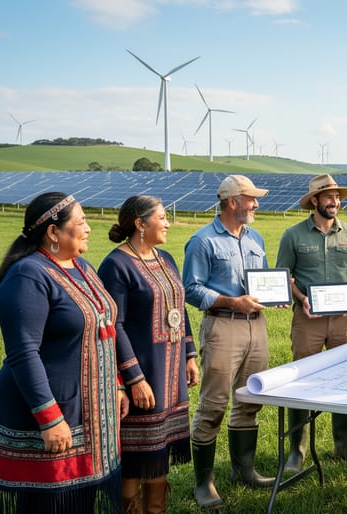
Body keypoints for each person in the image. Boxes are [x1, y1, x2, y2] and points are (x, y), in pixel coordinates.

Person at [0, 192, 127, 514]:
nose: (89, 228)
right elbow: (23, 353)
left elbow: (103, 328)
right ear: (53, 232)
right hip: (51, 411)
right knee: (50, 502)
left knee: (81, 500)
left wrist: (117, 383)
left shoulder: (82, 267)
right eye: (81, 222)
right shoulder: (27, 275)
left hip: (89, 412)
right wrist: (49, 418)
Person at [98, 195, 200, 513]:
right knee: (136, 456)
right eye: (162, 217)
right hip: (142, 374)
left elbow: (179, 309)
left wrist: (190, 355)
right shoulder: (116, 265)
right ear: (140, 224)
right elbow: (114, 325)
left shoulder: (166, 258)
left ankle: (156, 509)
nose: (168, 223)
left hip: (171, 375)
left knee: (160, 451)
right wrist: (134, 379)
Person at [182, 175, 276, 509]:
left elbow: (263, 280)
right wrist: (232, 302)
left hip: (256, 327)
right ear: (233, 201)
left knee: (250, 398)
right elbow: (191, 289)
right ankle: (204, 483)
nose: (257, 204)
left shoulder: (255, 237)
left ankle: (243, 471)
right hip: (222, 326)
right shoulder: (202, 241)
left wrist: (275, 293)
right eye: (252, 199)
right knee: (213, 405)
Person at [276, 174, 347, 472]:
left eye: (337, 197)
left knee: (345, 379)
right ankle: (297, 452)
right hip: (308, 320)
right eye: (329, 196)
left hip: (343, 320)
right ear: (314, 201)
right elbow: (283, 275)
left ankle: (344, 446)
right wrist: (302, 298)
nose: (335, 202)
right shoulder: (293, 235)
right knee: (300, 381)